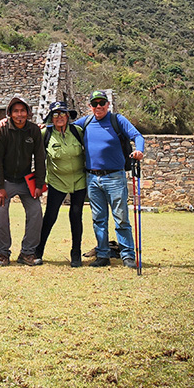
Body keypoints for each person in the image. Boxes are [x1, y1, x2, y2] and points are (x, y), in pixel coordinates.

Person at [74, 90, 144, 268]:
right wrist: (45, 126)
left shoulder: (117, 120)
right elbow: (64, 127)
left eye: (102, 103)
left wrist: (139, 150)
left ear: (108, 104)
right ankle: (103, 254)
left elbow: (137, 136)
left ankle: (127, 255)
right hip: (92, 178)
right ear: (90, 106)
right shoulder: (87, 121)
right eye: (95, 103)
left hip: (115, 177)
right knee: (98, 219)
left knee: (121, 218)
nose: (98, 106)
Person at [0, 94, 46, 266]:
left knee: (36, 212)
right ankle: (2, 254)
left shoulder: (34, 130)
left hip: (25, 180)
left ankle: (27, 253)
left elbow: (39, 158)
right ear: (9, 113)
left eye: (23, 111)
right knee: (1, 215)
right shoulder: (2, 130)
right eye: (15, 111)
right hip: (6, 180)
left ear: (28, 113)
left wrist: (39, 184)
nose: (19, 115)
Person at [34, 101, 87, 268]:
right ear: (51, 117)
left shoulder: (77, 132)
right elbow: (36, 152)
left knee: (76, 216)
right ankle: (38, 251)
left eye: (62, 113)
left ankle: (76, 253)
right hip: (57, 181)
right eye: (55, 114)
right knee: (50, 216)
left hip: (79, 180)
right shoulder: (45, 133)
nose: (59, 117)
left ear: (68, 116)